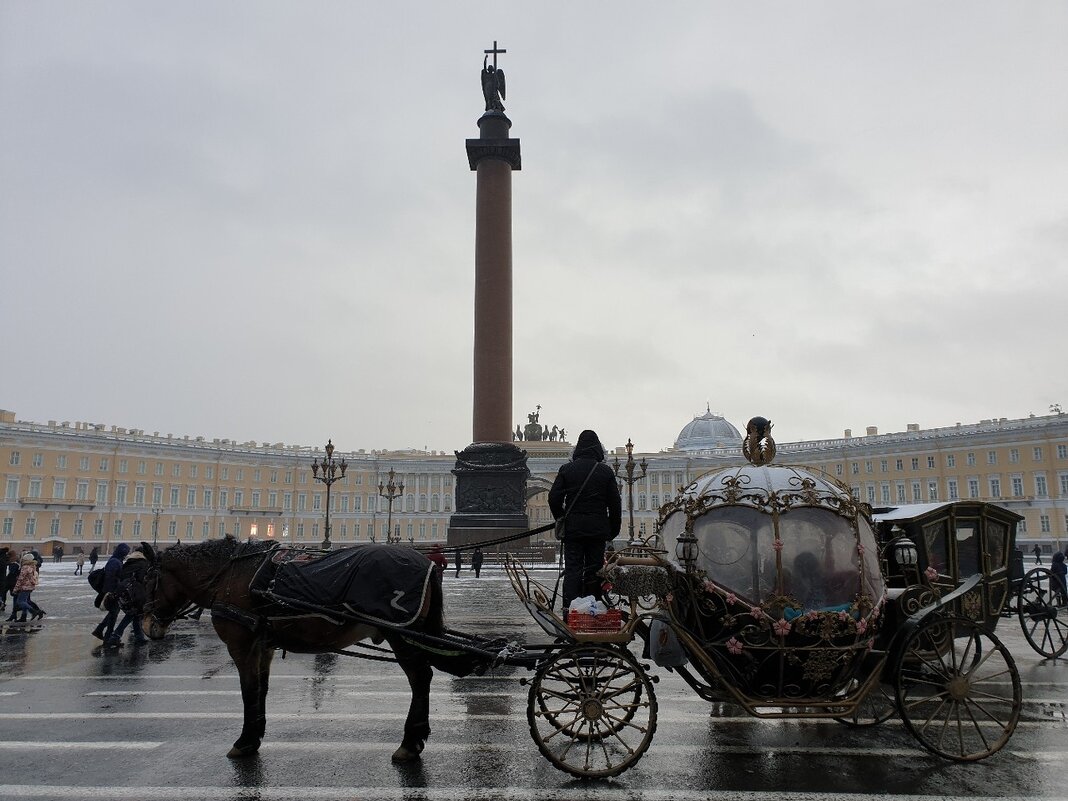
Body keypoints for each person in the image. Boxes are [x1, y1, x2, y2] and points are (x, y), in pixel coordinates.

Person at [548, 429, 622, 613]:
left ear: (578, 449)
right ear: (597, 449)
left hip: (574, 530)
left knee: (572, 569)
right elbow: (615, 504)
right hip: (597, 530)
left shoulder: (567, 469)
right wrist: (612, 529)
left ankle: (570, 611)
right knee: (594, 570)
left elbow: (553, 498)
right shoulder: (605, 471)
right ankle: (592, 610)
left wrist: (562, 517)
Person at [107, 547, 150, 647]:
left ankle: (139, 637)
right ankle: (115, 636)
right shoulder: (143, 563)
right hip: (136, 593)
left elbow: (121, 575)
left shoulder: (129, 561)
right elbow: (142, 579)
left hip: (123, 591)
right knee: (132, 614)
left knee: (136, 614)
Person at [92, 543, 130, 643]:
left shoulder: (117, 560)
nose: (125, 554)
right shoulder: (115, 562)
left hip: (114, 591)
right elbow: (110, 577)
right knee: (113, 614)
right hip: (112, 591)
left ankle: (100, 630)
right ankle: (107, 636)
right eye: (125, 552)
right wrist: (112, 592)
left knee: (114, 613)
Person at [6, 553, 42, 622]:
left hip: (24, 587)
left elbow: (20, 579)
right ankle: (24, 616)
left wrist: (15, 589)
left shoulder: (25, 567)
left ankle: (34, 611)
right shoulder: (32, 566)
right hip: (29, 587)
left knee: (20, 602)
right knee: (24, 601)